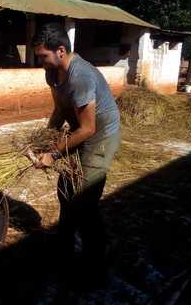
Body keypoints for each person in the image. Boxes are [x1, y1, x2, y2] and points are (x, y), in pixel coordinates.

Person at [30, 23, 121, 286]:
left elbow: (89, 128)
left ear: (61, 50)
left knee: (84, 199)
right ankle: (64, 247)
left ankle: (98, 259)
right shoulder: (52, 73)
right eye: (39, 57)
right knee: (65, 189)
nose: (41, 62)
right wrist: (43, 141)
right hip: (82, 131)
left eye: (43, 56)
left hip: (101, 135)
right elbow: (60, 110)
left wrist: (54, 154)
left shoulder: (80, 76)